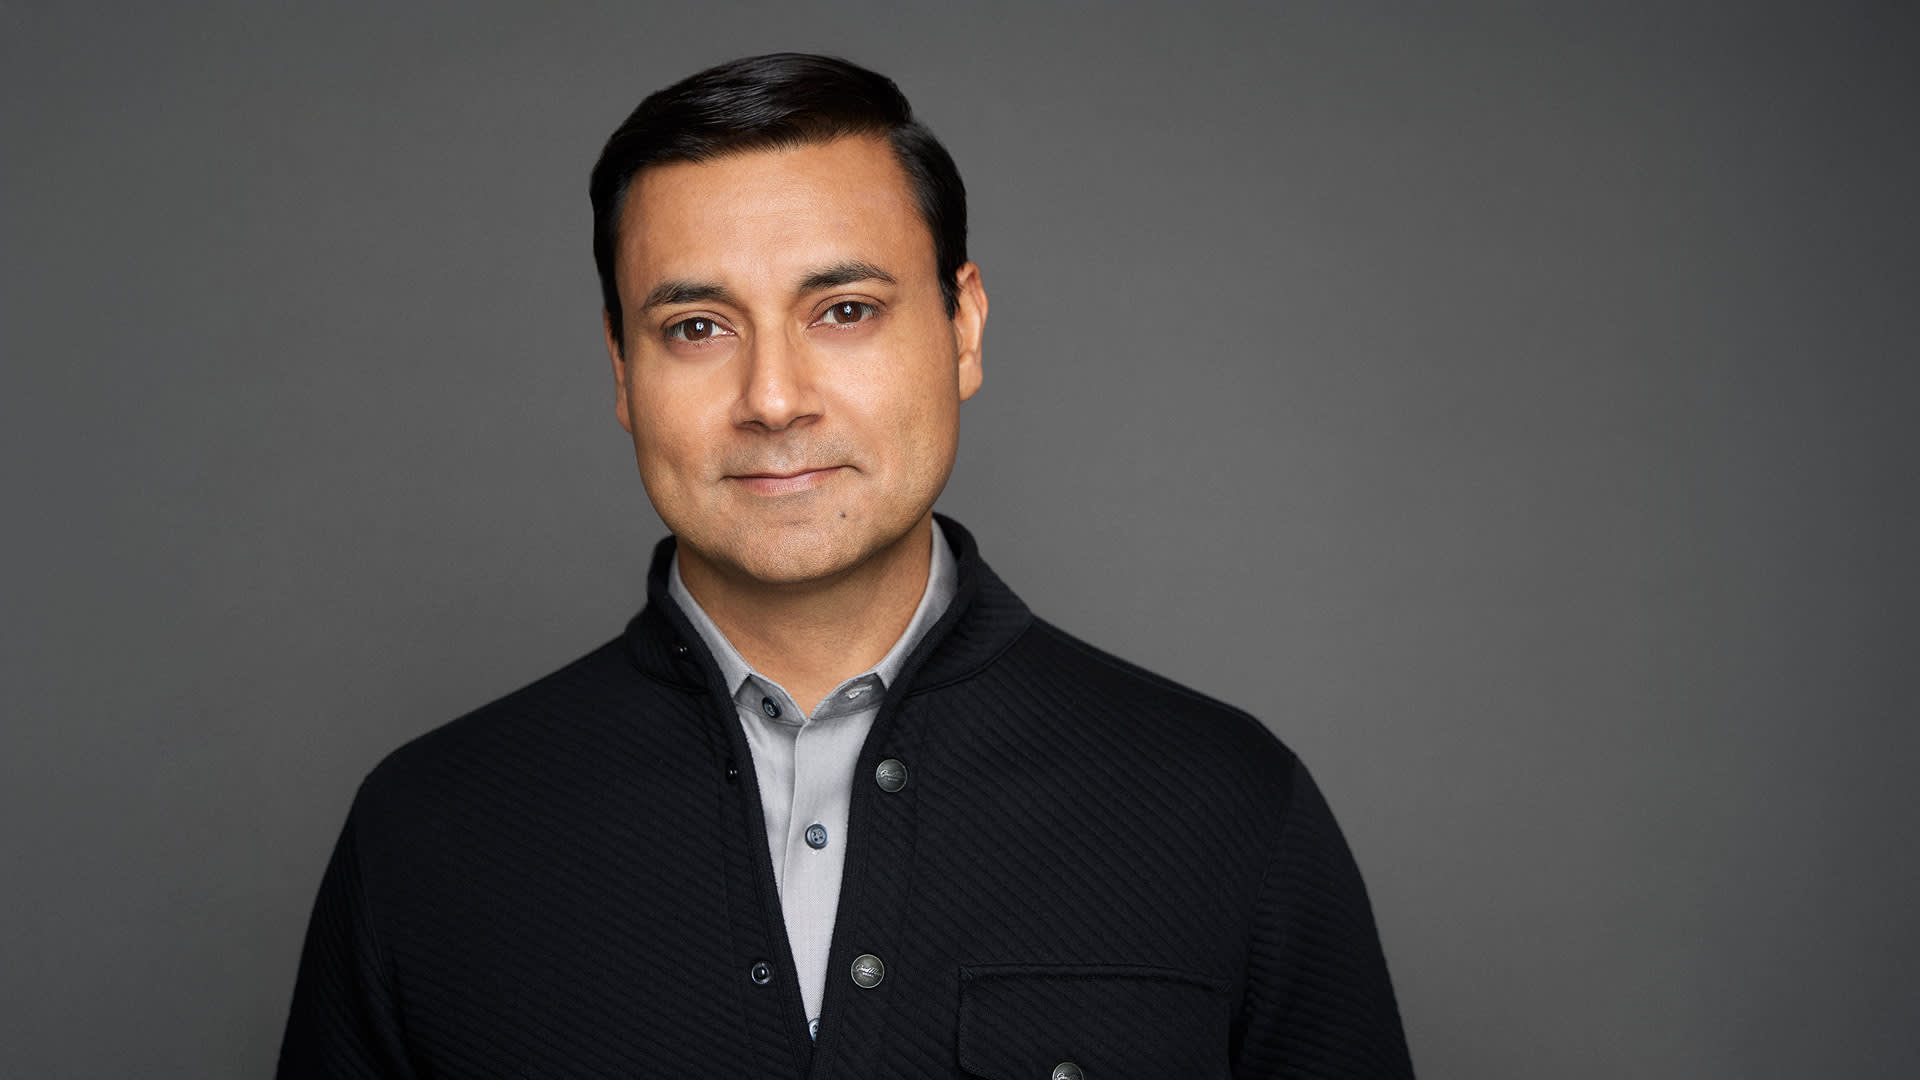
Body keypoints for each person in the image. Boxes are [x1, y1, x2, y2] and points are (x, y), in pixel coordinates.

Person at [278, 52, 1414, 1078]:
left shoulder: (1221, 805)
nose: (774, 398)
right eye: (696, 329)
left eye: (845, 309)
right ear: (622, 371)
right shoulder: (428, 835)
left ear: (962, 330)